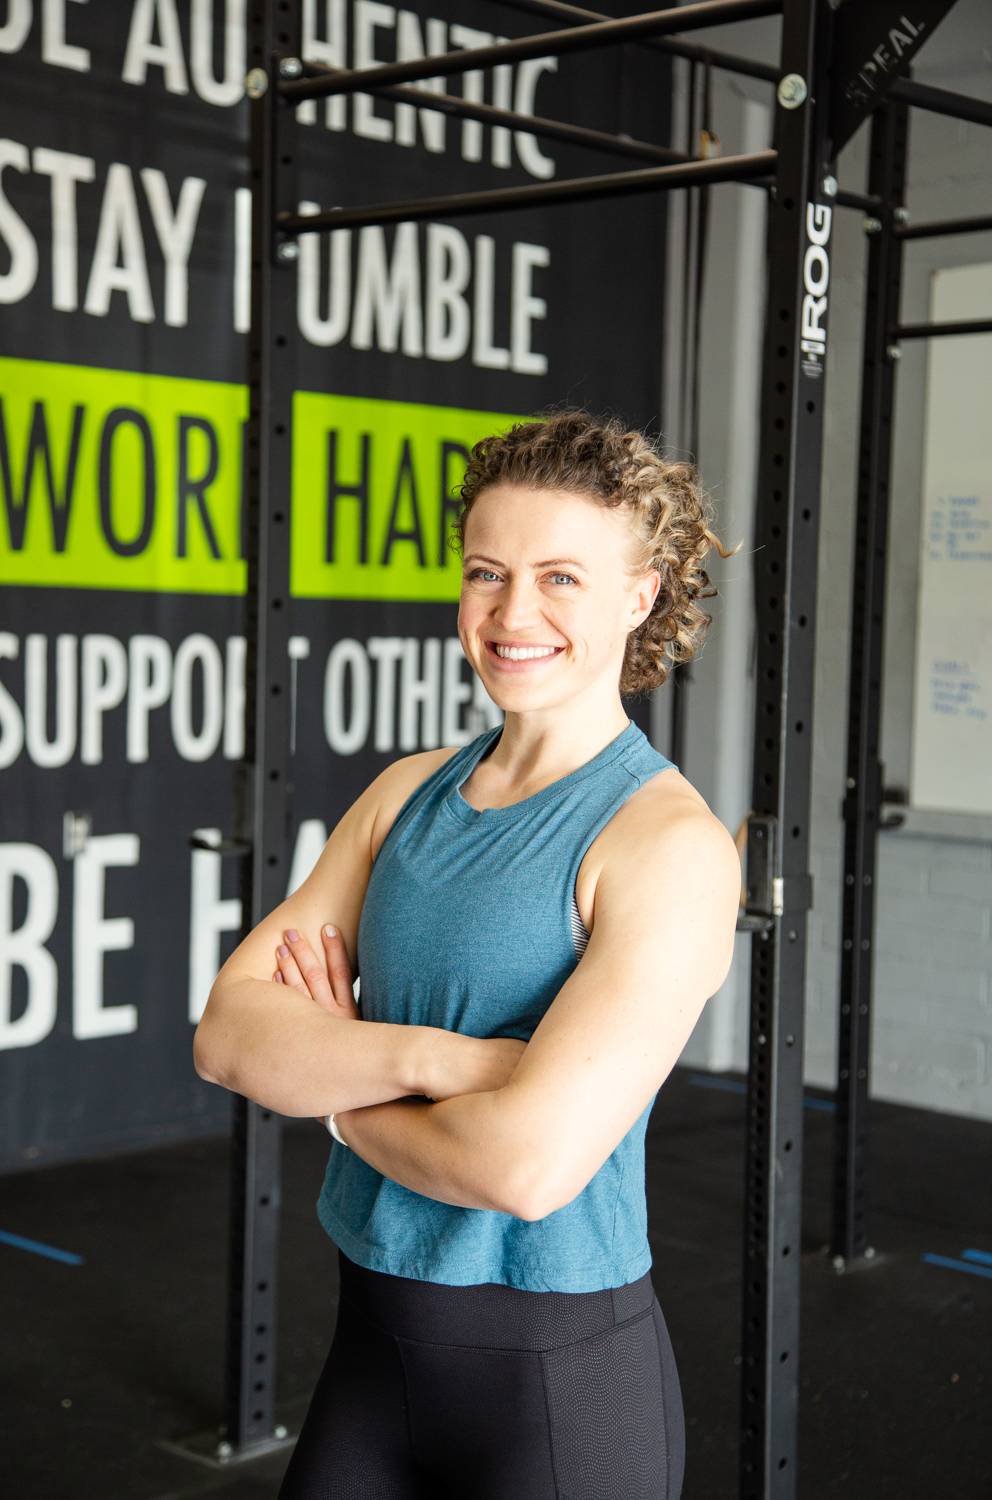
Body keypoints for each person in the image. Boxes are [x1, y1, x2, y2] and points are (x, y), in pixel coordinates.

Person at [193, 407, 744, 1499]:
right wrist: (444, 1062)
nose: (511, 613)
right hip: (370, 1355)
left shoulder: (663, 844)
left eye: (560, 578)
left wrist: (334, 1090)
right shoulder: (406, 793)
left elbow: (523, 1169)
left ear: (639, 598)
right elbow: (228, 1035)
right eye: (487, 573)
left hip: (557, 1389)